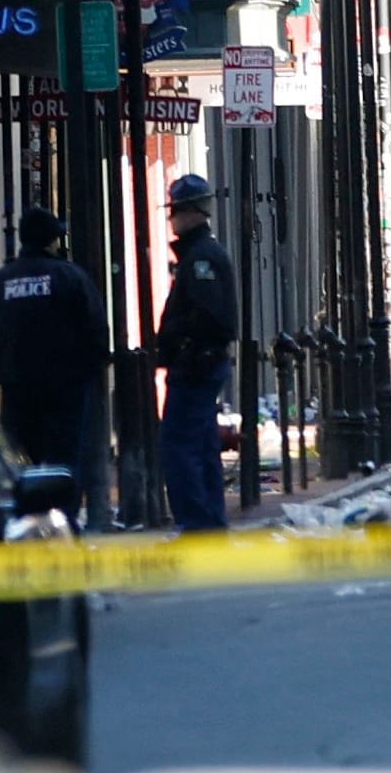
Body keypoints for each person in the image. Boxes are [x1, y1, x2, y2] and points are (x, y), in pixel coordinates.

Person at [0, 208, 108, 492]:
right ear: (53, 240)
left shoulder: (0, 282)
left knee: (23, 459)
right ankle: (63, 518)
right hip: (65, 388)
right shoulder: (71, 278)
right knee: (63, 458)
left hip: (17, 387)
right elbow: (95, 330)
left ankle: (30, 518)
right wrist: (88, 372)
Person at [156, 174, 238, 531]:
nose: (172, 220)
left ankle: (195, 521)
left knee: (179, 445)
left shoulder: (201, 259)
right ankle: (208, 520)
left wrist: (181, 346)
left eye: (175, 212)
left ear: (190, 213)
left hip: (196, 367)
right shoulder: (200, 255)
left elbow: (208, 317)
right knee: (202, 445)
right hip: (199, 364)